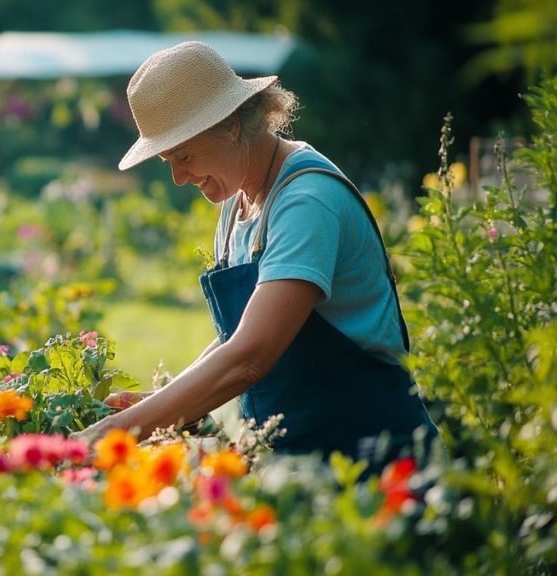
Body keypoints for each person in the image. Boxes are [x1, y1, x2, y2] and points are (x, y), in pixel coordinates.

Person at [74, 41, 438, 467]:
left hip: (381, 462)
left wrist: (115, 432)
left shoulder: (307, 202)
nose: (177, 177)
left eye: (185, 155)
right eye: (167, 161)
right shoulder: (237, 204)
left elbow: (249, 356)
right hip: (304, 459)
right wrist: (167, 401)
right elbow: (239, 334)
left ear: (231, 124)